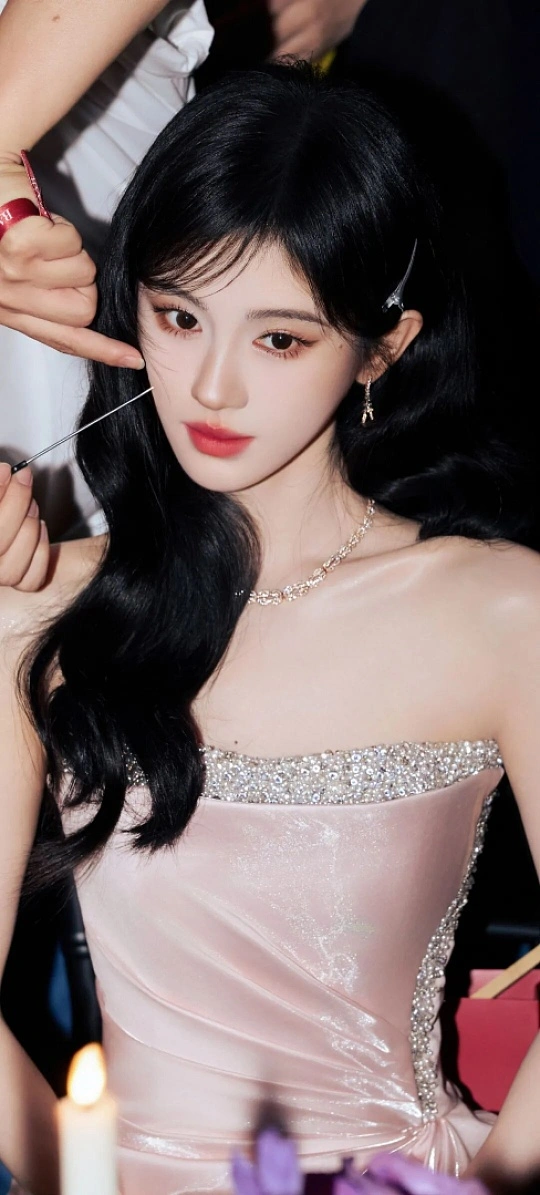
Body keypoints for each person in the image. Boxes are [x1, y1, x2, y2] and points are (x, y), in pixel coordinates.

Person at [1, 61, 540, 1195]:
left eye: (281, 339)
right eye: (179, 317)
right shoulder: (46, 603)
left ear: (382, 347)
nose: (213, 388)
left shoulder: (502, 613)